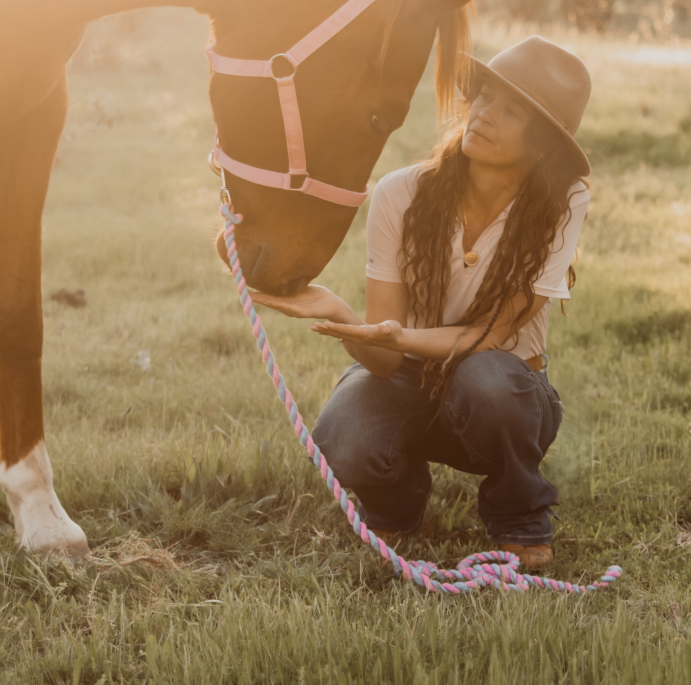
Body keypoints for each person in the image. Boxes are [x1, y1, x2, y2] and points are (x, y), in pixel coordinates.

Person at [251, 35, 592, 569]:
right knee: (344, 433)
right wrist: (346, 318)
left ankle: (520, 516)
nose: (483, 114)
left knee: (488, 380)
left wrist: (396, 336)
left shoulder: (563, 202)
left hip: (502, 389)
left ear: (544, 143)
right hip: (409, 378)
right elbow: (386, 361)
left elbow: (494, 335)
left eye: (512, 111)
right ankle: (397, 503)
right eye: (483, 96)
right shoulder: (400, 193)